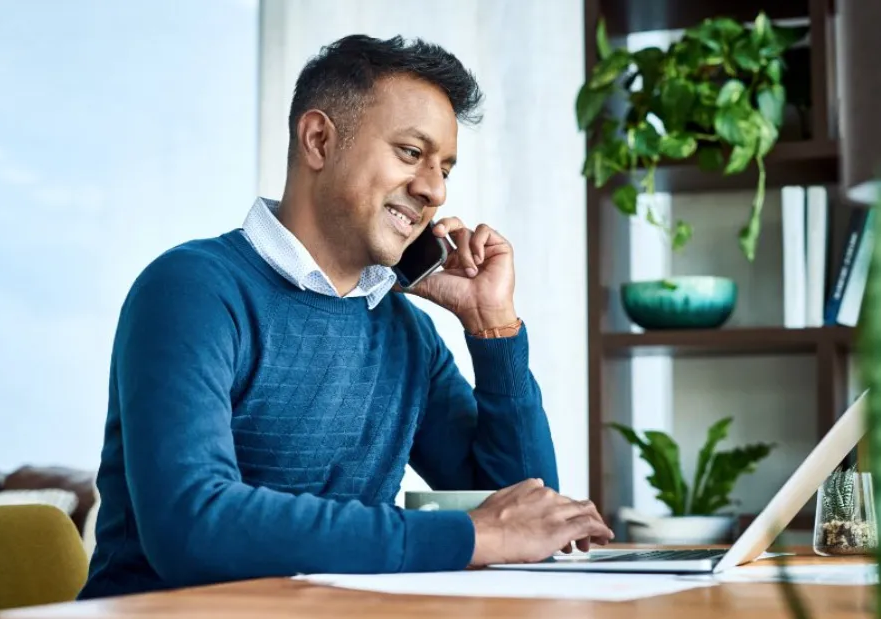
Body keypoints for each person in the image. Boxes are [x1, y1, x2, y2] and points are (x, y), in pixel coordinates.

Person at [78, 34, 613, 600]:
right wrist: (470, 534)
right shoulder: (192, 290)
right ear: (318, 140)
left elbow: (521, 514)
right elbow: (193, 526)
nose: (433, 189)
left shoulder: (405, 332)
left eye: (445, 169)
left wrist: (493, 327)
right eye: (411, 153)